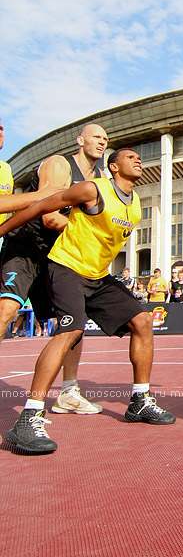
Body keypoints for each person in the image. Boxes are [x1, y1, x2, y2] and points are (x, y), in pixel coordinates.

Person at [0, 148, 176, 454]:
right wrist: (1, 231)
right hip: (66, 268)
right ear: (113, 166)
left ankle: (139, 401)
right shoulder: (91, 189)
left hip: (97, 277)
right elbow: (40, 206)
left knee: (143, 321)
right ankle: (28, 417)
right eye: (130, 157)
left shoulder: (135, 205)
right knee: (70, 330)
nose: (138, 160)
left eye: (139, 158)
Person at [0, 123, 110, 416]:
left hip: (58, 252)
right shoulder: (60, 164)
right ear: (80, 140)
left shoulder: (100, 178)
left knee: (73, 317)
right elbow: (49, 217)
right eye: (97, 136)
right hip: (26, 244)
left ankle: (69, 392)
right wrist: (91, 231)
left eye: (105, 138)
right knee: (7, 310)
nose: (102, 141)